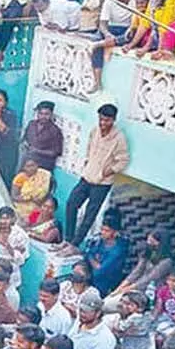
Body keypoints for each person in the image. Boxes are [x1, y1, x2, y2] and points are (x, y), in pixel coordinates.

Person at [65, 103, 129, 246]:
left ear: (113, 120)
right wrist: (87, 163)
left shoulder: (119, 138)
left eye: (106, 120)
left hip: (102, 183)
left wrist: (108, 171)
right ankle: (68, 239)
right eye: (101, 119)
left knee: (90, 215)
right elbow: (89, 148)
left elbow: (123, 160)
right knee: (71, 203)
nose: (103, 123)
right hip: (87, 177)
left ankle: (74, 244)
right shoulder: (95, 131)